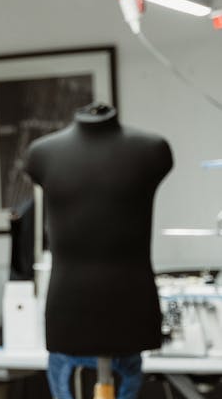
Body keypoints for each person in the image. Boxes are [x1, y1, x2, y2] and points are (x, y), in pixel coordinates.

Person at [24, 102, 173, 357]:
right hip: (68, 304)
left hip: (132, 301)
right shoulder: (41, 153)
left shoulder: (153, 149)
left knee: (126, 387)